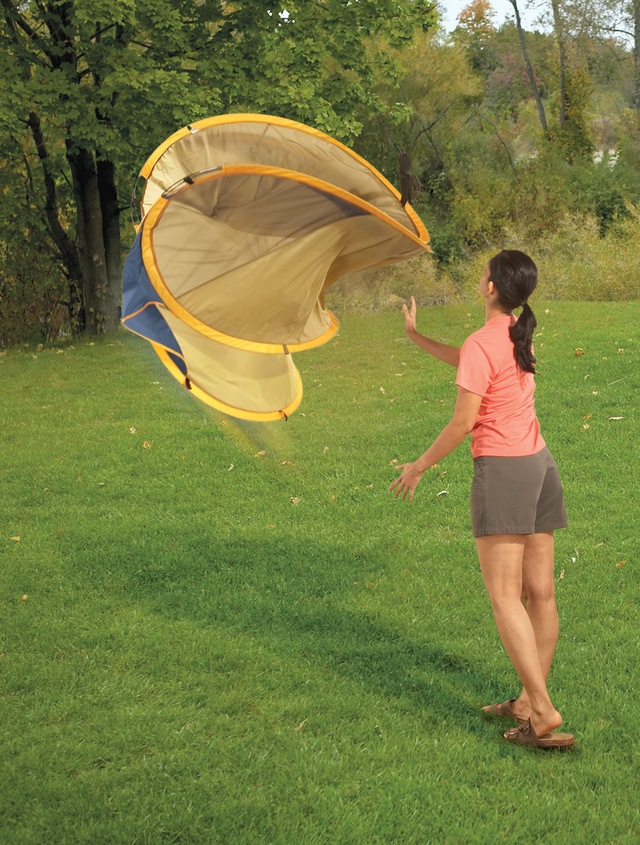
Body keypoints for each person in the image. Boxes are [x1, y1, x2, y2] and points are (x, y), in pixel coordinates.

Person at [389, 250, 573, 749]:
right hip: (540, 466)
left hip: (505, 473)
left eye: (483, 274)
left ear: (492, 287)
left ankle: (543, 711)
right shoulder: (517, 333)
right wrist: (416, 337)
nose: (480, 278)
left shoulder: (486, 340)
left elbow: (462, 422)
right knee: (542, 594)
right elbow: (471, 360)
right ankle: (525, 701)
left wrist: (418, 466)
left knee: (503, 596)